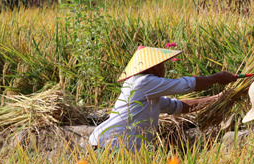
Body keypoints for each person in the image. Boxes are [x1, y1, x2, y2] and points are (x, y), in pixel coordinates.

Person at [89, 46, 237, 151]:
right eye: (162, 64)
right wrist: (217, 78)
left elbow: (179, 107)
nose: (164, 68)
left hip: (118, 146)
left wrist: (218, 98)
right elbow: (186, 85)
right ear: (153, 67)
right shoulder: (143, 82)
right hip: (111, 145)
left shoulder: (148, 91)